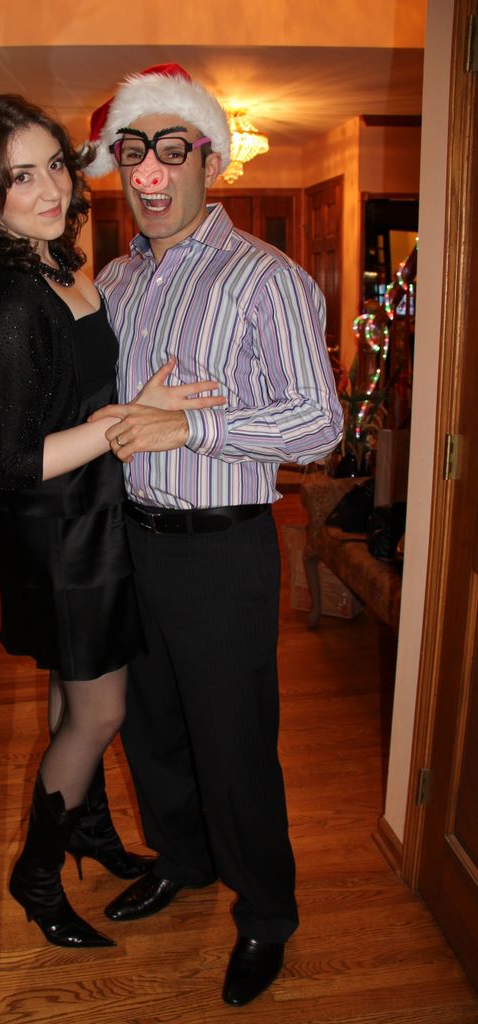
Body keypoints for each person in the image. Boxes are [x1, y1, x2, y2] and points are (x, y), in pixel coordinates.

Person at [0, 93, 224, 950]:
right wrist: (126, 422)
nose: (50, 189)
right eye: (20, 176)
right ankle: (35, 875)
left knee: (73, 697)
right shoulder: (9, 298)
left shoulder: (56, 265)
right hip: (62, 535)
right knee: (98, 714)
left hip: (91, 517)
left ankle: (88, 831)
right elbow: (15, 458)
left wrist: (133, 405)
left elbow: (79, 396)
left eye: (55, 165)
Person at [85, 64, 343, 1004]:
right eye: (132, 151)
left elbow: (318, 425)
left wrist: (189, 426)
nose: (148, 170)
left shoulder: (265, 278)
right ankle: (183, 862)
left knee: (232, 742)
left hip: (221, 549)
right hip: (130, 542)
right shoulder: (114, 279)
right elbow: (107, 414)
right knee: (149, 727)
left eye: (170, 148)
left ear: (210, 159)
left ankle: (266, 912)